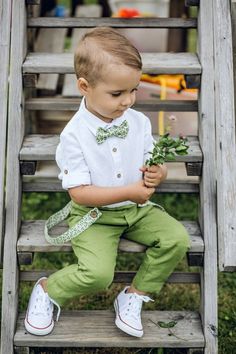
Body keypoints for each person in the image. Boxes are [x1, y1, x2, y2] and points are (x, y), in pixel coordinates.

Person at [24, 27, 190, 338]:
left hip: (138, 210)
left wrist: (159, 173)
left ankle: (134, 295)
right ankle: (49, 289)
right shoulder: (73, 136)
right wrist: (130, 191)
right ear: (84, 86)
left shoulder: (138, 122)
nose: (127, 101)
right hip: (95, 216)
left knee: (176, 238)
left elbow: (153, 160)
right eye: (117, 94)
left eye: (133, 90)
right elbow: (80, 193)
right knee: (98, 274)